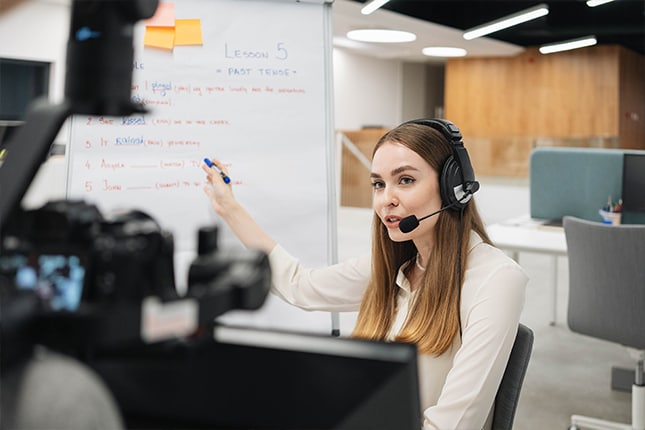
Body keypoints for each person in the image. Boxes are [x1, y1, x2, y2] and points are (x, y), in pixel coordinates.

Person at [202, 118, 528, 430]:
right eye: (378, 184)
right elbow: (301, 286)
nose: (387, 200)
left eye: (405, 180)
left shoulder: (495, 280)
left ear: (453, 187)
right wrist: (229, 208)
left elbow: (451, 425)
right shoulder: (394, 266)